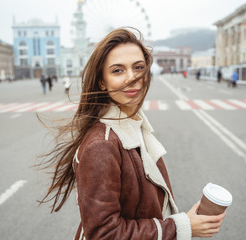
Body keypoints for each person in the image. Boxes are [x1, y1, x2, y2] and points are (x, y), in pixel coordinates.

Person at [38, 28, 226, 239]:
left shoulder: (135, 126)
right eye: (117, 70)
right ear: (102, 81)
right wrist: (181, 227)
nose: (132, 78)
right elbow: (104, 234)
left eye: (139, 67)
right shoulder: (102, 144)